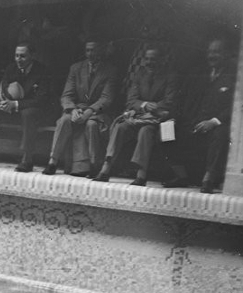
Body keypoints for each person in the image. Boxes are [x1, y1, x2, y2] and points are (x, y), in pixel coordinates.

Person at [92, 43, 178, 186]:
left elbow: (170, 101)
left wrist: (153, 107)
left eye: (153, 59)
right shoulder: (140, 74)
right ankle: (106, 168)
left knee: (146, 131)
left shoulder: (170, 76)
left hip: (159, 120)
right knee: (120, 127)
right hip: (140, 117)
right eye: (147, 59)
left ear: (162, 60)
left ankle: (141, 174)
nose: (149, 62)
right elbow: (131, 100)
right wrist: (144, 105)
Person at [157, 38, 235, 194]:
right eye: (210, 52)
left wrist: (214, 122)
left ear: (226, 54)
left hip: (216, 124)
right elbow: (181, 98)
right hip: (194, 122)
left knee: (221, 133)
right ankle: (181, 176)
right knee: (166, 129)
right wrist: (173, 117)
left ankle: (208, 179)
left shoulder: (234, 75)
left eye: (217, 52)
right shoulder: (200, 73)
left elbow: (236, 105)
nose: (212, 56)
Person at [42, 39, 117, 177]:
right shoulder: (76, 68)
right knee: (64, 121)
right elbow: (67, 95)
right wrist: (72, 110)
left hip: (98, 113)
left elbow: (106, 98)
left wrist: (89, 112)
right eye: (87, 50)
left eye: (93, 50)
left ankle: (94, 164)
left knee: (91, 124)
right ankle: (53, 161)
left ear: (101, 51)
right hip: (77, 109)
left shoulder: (110, 70)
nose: (90, 54)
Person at [0, 41, 51, 171]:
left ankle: (27, 158)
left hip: (32, 110)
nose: (18, 59)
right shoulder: (11, 68)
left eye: (23, 56)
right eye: (16, 56)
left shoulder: (42, 71)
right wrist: (4, 102)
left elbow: (41, 99)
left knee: (29, 114)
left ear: (32, 56)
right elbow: (4, 87)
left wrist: (15, 104)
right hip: (11, 108)